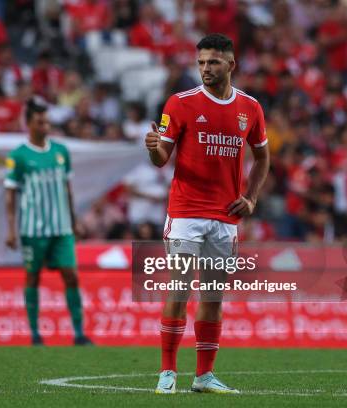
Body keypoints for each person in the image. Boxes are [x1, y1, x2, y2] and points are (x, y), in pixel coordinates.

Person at [145, 33, 269, 394]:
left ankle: (204, 376)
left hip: (226, 216)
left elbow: (262, 156)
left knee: (213, 297)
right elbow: (161, 158)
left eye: (212, 62)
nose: (205, 69)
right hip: (185, 212)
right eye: (200, 62)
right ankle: (167, 371)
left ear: (231, 64)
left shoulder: (250, 107)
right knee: (180, 288)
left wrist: (251, 197)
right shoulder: (180, 103)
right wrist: (152, 148)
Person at [4, 97, 93, 346]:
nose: (46, 126)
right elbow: (10, 194)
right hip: (33, 229)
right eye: (40, 122)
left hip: (62, 227)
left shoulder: (60, 152)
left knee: (71, 275)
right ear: (28, 124)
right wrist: (11, 230)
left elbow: (68, 190)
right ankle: (34, 334)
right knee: (32, 277)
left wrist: (74, 222)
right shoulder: (18, 156)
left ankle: (78, 334)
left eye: (47, 121)